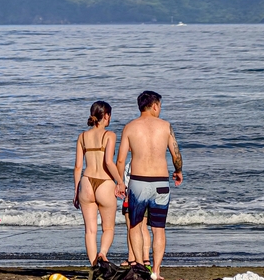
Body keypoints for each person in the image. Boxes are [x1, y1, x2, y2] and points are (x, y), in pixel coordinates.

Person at [117, 91, 183, 280]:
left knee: (135, 226)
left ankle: (139, 268)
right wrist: (178, 171)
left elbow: (121, 160)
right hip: (161, 183)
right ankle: (156, 272)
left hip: (138, 182)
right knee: (158, 229)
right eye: (160, 105)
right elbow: (176, 154)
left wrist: (120, 182)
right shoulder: (165, 126)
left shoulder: (130, 127)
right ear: (154, 106)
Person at [74, 101, 125, 264]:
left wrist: (76, 191)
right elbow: (109, 162)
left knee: (90, 230)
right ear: (106, 116)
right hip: (104, 183)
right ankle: (102, 253)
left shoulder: (82, 136)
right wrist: (120, 182)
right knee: (108, 228)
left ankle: (93, 265)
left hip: (86, 182)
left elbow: (77, 166)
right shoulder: (109, 135)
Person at [121, 160, 151, 269]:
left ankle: (132, 258)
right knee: (143, 227)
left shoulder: (132, 163)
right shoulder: (148, 162)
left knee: (131, 227)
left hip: (133, 195)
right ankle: (146, 258)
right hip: (147, 194)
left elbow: (131, 180)